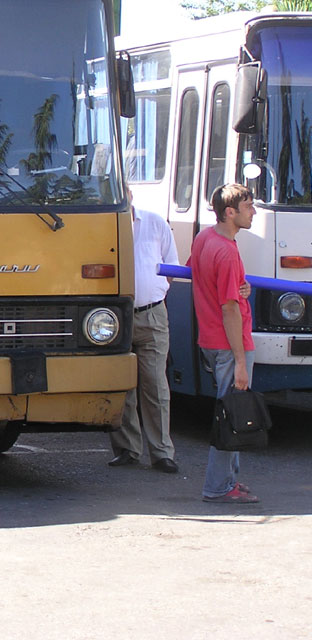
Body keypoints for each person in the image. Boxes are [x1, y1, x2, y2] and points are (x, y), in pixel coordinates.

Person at [188, 183, 258, 503]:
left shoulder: (205, 238)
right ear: (230, 212)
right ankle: (218, 487)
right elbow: (228, 308)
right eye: (248, 206)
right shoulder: (227, 250)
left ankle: (229, 481)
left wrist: (238, 287)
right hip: (229, 344)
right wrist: (241, 361)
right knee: (230, 417)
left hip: (211, 340)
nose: (253, 212)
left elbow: (195, 271)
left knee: (231, 412)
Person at [108, 190, 179, 473]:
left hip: (151, 313)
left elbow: (171, 266)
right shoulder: (104, 224)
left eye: (123, 191)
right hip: (114, 318)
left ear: (130, 195)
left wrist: (156, 293)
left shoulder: (154, 222)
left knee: (155, 385)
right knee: (122, 386)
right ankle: (127, 449)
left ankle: (162, 452)